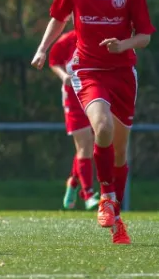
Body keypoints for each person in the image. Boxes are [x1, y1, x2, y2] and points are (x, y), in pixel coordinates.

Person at [31, 0, 155, 244]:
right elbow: (58, 18)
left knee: (120, 152)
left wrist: (122, 45)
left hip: (123, 73)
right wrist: (43, 49)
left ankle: (116, 213)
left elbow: (144, 36)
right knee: (102, 129)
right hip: (87, 70)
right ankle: (105, 196)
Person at [48, 29, 99, 211]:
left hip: (94, 96)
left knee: (89, 146)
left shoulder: (98, 37)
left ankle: (73, 181)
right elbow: (53, 61)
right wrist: (64, 76)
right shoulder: (66, 40)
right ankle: (88, 194)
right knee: (85, 146)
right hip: (73, 99)